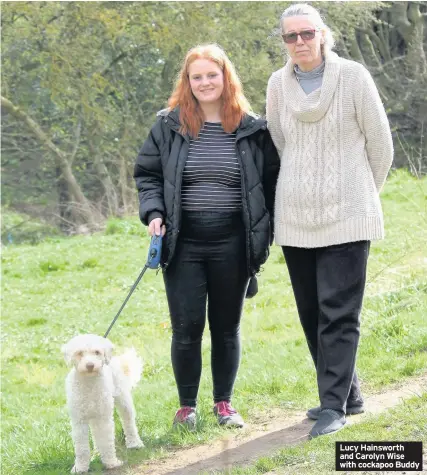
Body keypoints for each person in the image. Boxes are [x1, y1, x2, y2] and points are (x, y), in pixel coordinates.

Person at [134, 44, 280, 429]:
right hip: (183, 243)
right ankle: (187, 406)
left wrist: (264, 233)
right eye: (196, 77)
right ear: (187, 82)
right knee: (186, 328)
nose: (204, 83)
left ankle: (224, 404)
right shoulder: (168, 126)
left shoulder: (252, 127)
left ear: (225, 77)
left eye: (211, 75)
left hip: (234, 242)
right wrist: (153, 213)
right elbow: (147, 175)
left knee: (226, 327)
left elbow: (270, 184)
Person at [266, 4, 393, 438]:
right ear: (283, 42)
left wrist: (357, 194)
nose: (299, 42)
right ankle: (348, 393)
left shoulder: (354, 76)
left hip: (348, 215)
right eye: (290, 36)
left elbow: (381, 144)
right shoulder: (277, 86)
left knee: (339, 312)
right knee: (310, 312)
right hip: (296, 217)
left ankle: (332, 406)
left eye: (306, 33)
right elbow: (281, 144)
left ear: (323, 34)